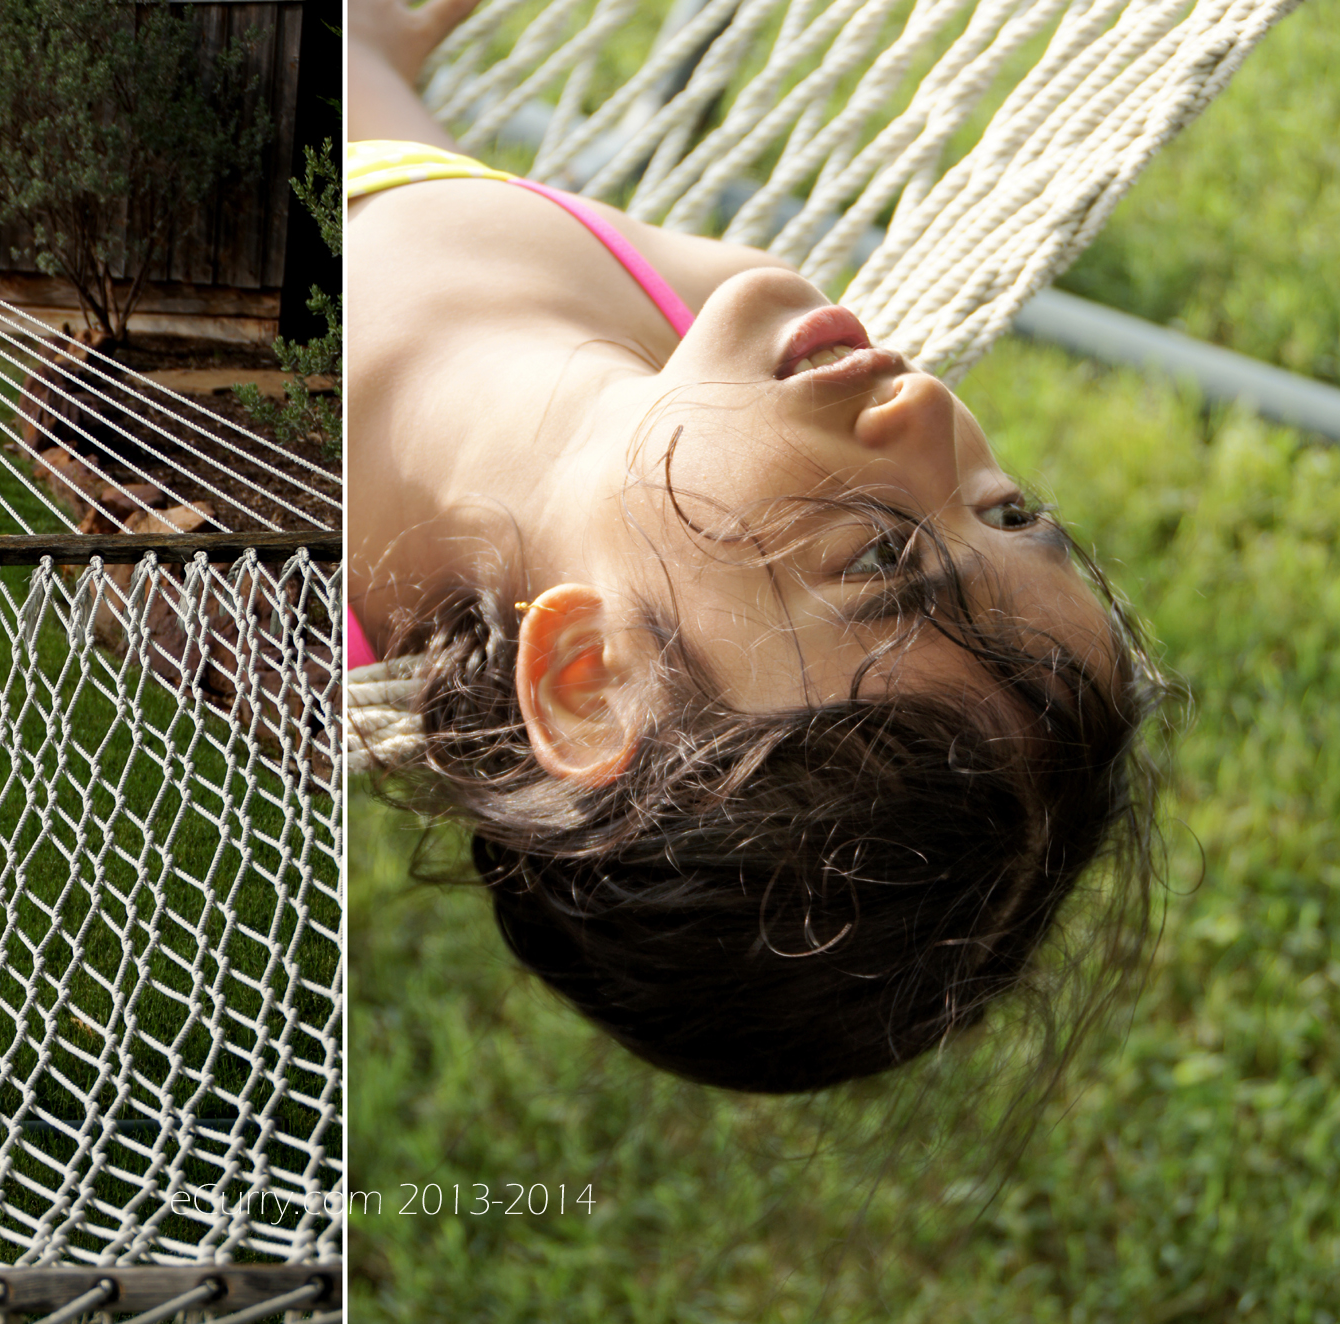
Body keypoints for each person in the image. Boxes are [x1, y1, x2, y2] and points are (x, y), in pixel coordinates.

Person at [347, 0, 1161, 1094]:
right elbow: (406, 187)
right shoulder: (686, 311)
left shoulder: (285, 539)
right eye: (1009, 512)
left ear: (592, 683)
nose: (923, 408)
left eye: (876, 556)